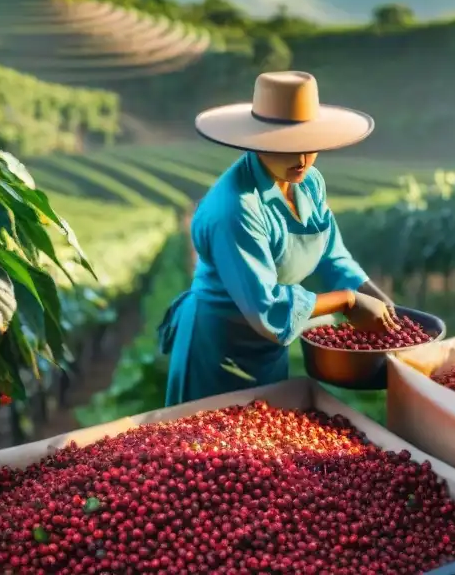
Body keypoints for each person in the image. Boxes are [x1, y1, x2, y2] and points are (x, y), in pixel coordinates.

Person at [159, 71, 398, 406]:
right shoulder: (236, 208)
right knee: (209, 448)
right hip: (217, 349)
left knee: (265, 440)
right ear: (257, 141)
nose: (301, 160)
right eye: (287, 148)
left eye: (308, 146)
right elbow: (268, 309)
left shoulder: (309, 183)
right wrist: (349, 301)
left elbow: (331, 254)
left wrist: (381, 303)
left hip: (268, 347)